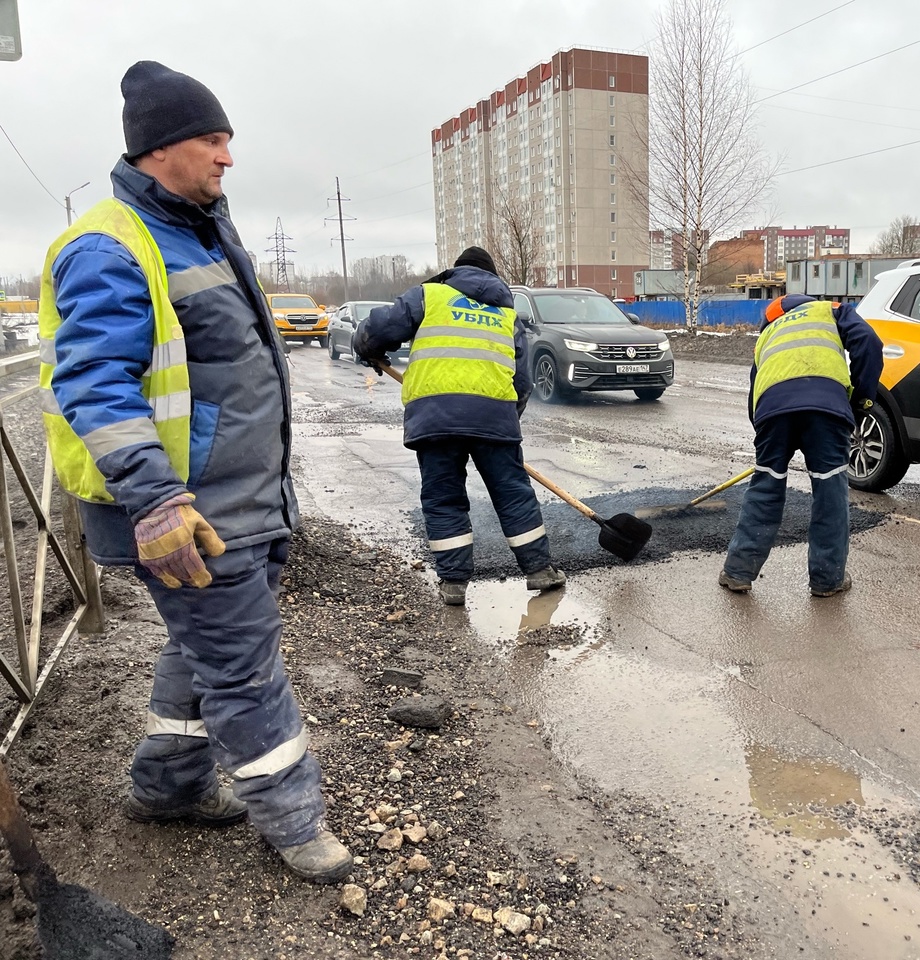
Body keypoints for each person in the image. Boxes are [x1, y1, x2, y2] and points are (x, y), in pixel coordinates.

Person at [38, 61, 351, 883]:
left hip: (241, 503)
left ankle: (169, 786)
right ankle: (295, 822)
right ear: (160, 149)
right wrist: (157, 500)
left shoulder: (202, 227)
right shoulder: (111, 243)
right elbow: (93, 386)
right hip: (188, 510)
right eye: (213, 140)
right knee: (245, 668)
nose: (227, 157)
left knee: (198, 649)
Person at [353, 246, 566, 607]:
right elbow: (523, 380)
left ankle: (453, 583)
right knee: (513, 494)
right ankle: (539, 571)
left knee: (444, 497)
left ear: (456, 271)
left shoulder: (429, 295)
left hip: (436, 417)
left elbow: (380, 327)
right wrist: (504, 422)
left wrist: (366, 347)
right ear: (492, 277)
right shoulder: (506, 313)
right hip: (494, 416)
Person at [719, 294, 884, 597]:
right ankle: (826, 579)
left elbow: (755, 391)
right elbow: (868, 341)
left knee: (766, 487)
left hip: (773, 414)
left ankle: (738, 572)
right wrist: (862, 398)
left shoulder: (767, 334)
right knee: (829, 491)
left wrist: (768, 438)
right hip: (825, 411)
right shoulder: (831, 309)